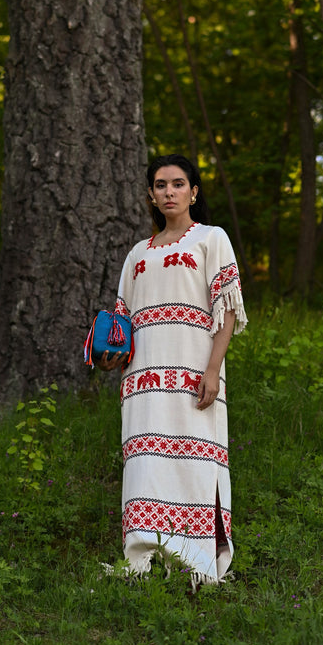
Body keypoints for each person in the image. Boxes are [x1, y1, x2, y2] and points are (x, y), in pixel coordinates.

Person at [98, 154, 247, 585]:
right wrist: (110, 354)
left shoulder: (211, 239)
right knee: (147, 465)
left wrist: (213, 370)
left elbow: (228, 309)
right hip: (143, 383)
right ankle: (143, 558)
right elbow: (122, 321)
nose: (169, 192)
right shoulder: (137, 255)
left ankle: (198, 561)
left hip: (192, 374)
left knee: (195, 462)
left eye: (178, 184)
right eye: (160, 185)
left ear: (194, 192)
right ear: (150, 194)